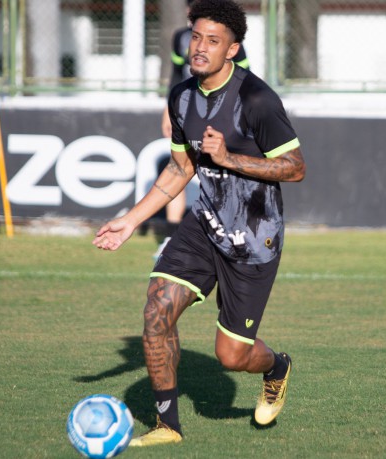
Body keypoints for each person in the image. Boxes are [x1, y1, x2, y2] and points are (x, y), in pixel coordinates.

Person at [93, 0, 305, 446]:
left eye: (213, 40)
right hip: (203, 225)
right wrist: (131, 221)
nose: (200, 48)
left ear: (233, 49)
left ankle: (277, 366)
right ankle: (167, 426)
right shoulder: (182, 96)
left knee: (231, 356)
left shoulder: (257, 99)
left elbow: (295, 167)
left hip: (254, 239)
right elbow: (179, 169)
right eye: (196, 37)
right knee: (156, 311)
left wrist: (229, 158)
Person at [153, 0, 252, 261]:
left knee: (222, 172)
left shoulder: (225, 39)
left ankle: (233, 233)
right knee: (180, 165)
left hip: (221, 112)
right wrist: (168, 109)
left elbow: (244, 75)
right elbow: (176, 75)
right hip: (189, 110)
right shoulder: (180, 38)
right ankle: (170, 237)